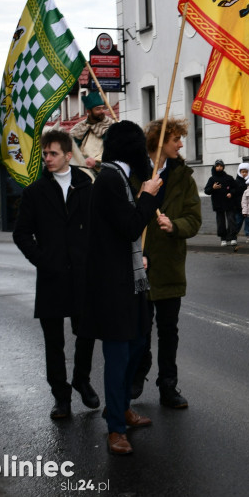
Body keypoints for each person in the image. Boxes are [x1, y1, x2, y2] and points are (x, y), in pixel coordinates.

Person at [83, 120, 161, 456]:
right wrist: (147, 197)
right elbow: (130, 227)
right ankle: (115, 427)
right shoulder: (109, 180)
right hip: (113, 286)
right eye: (142, 146)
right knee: (118, 356)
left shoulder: (119, 177)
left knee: (138, 344)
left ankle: (123, 408)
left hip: (130, 280)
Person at [12, 129, 100, 420]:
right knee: (54, 342)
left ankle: (82, 380)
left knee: (86, 332)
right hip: (51, 275)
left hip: (83, 274)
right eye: (45, 154)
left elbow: (97, 224)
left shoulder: (85, 184)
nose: (47, 159)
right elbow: (21, 233)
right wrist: (42, 259)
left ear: (66, 154)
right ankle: (61, 397)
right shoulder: (35, 192)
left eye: (53, 153)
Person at [135, 117, 202, 410]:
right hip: (138, 265)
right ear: (159, 141)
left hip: (170, 265)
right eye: (175, 139)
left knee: (168, 331)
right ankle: (136, 376)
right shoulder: (134, 174)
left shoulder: (183, 177)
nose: (180, 144)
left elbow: (194, 219)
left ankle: (168, 386)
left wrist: (174, 225)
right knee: (139, 329)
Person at [69, 91, 112, 175]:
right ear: (89, 111)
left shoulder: (111, 126)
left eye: (102, 108)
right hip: (82, 170)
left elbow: (114, 152)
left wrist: (96, 162)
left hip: (104, 171)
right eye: (98, 109)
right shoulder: (80, 127)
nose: (102, 111)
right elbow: (71, 148)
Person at [204, 160, 239, 247]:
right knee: (221, 222)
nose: (219, 168)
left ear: (223, 167)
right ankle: (223, 238)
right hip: (218, 204)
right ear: (215, 167)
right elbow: (206, 191)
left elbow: (236, 188)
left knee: (231, 220)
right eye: (217, 166)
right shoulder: (212, 179)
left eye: (221, 166)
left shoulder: (229, 178)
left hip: (229, 203)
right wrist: (213, 188)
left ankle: (233, 237)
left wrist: (231, 193)